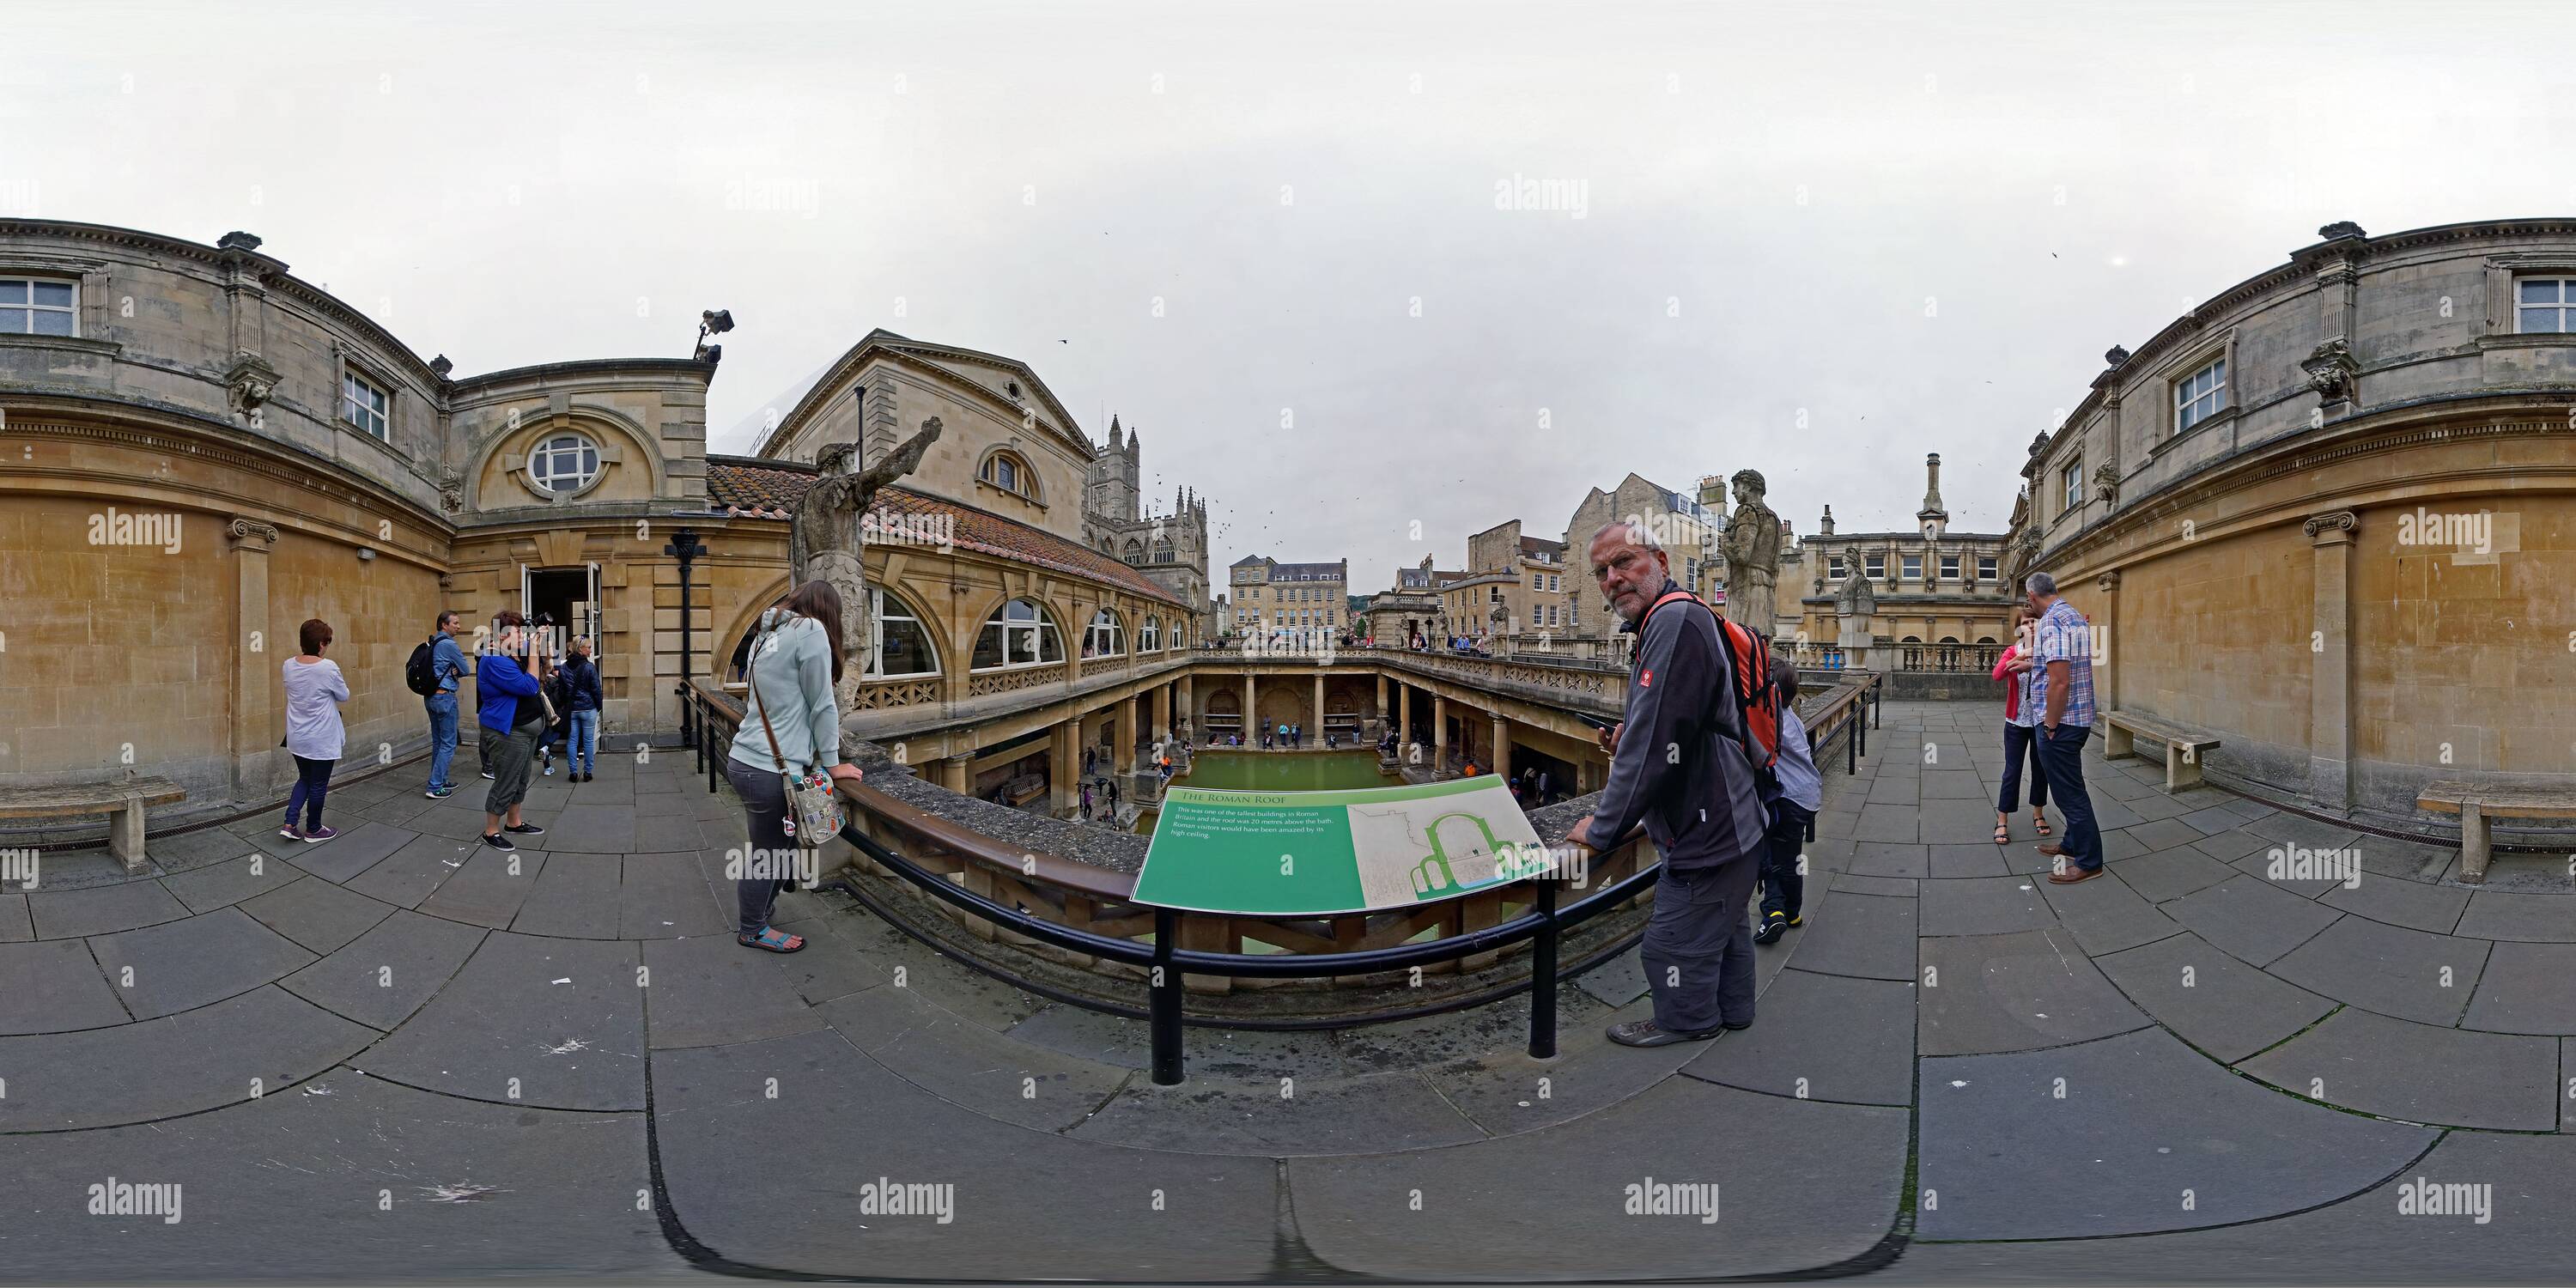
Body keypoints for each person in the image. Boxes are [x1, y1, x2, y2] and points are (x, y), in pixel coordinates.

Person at [1564, 519, 1768, 1047]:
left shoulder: (1672, 620)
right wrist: (1629, 739)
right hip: (1735, 820)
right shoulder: (1675, 617)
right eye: (1601, 572)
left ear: (1660, 562)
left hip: (1710, 829)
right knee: (1724, 930)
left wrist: (1603, 828)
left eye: (1624, 562)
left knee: (1670, 944)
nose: (1612, 579)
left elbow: (1654, 743)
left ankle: (1687, 1022)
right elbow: (1671, 726)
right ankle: (1735, 1013)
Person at [726, 581, 862, 953]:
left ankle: (762, 910)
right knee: (768, 855)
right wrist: (833, 765)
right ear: (829, 612)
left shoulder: (764, 636)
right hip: (771, 768)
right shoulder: (811, 630)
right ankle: (751, 928)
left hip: (745, 759)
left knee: (774, 847)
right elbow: (823, 704)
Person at [2026, 572, 2103, 884]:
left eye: (2028, 601)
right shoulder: (2073, 616)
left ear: (2032, 596)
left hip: (2063, 722)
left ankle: (2089, 862)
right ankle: (2072, 845)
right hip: (2079, 719)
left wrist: (2050, 725)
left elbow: (2059, 681)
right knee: (2071, 786)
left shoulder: (2052, 622)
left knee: (2070, 794)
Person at [1755, 663, 1821, 945]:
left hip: (1789, 799)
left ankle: (1775, 912)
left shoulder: (1771, 721)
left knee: (1771, 856)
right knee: (1790, 858)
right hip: (1807, 796)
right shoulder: (1789, 715)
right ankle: (1791, 913)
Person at [475, 611, 550, 852]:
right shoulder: (493, 659)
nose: (523, 635)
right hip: (507, 731)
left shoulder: (511, 652)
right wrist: (535, 651)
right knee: (506, 780)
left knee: (521, 778)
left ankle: (514, 823)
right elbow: (529, 686)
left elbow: (545, 659)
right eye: (518, 631)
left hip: (525, 730)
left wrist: (540, 639)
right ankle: (491, 831)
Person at [281, 617, 349, 843]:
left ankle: (290, 823)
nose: (327, 647)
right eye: (327, 642)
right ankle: (314, 829)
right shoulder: (327, 667)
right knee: (319, 784)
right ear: (321, 643)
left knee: (305, 778)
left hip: (297, 735)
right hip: (321, 737)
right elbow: (344, 695)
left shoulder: (288, 665)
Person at [1992, 606, 2050, 844]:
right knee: (2012, 770)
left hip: (2040, 720)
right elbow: (1997, 675)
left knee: (2040, 769)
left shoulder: (2048, 650)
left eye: (2035, 621)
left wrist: (2035, 661)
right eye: (2026, 622)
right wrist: (2020, 656)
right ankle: (2002, 820)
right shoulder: (2011, 650)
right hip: (2016, 721)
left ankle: (2038, 814)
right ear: (2019, 627)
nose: (2031, 625)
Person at [423, 611, 470, 799]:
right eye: (455, 623)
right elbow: (466, 670)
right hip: (445, 698)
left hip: (431, 697)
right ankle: (435, 786)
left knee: (438, 742)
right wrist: (455, 670)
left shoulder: (433, 642)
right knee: (449, 744)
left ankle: (441, 779)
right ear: (444, 624)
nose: (459, 626)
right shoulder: (449, 644)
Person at [560, 635, 604, 782]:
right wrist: (599, 706)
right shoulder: (590, 667)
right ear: (580, 649)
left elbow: (561, 691)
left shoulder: (564, 667)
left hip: (572, 709)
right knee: (588, 741)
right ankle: (587, 772)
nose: (591, 651)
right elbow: (596, 690)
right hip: (588, 708)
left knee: (572, 741)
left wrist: (565, 704)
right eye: (589, 647)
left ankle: (573, 772)